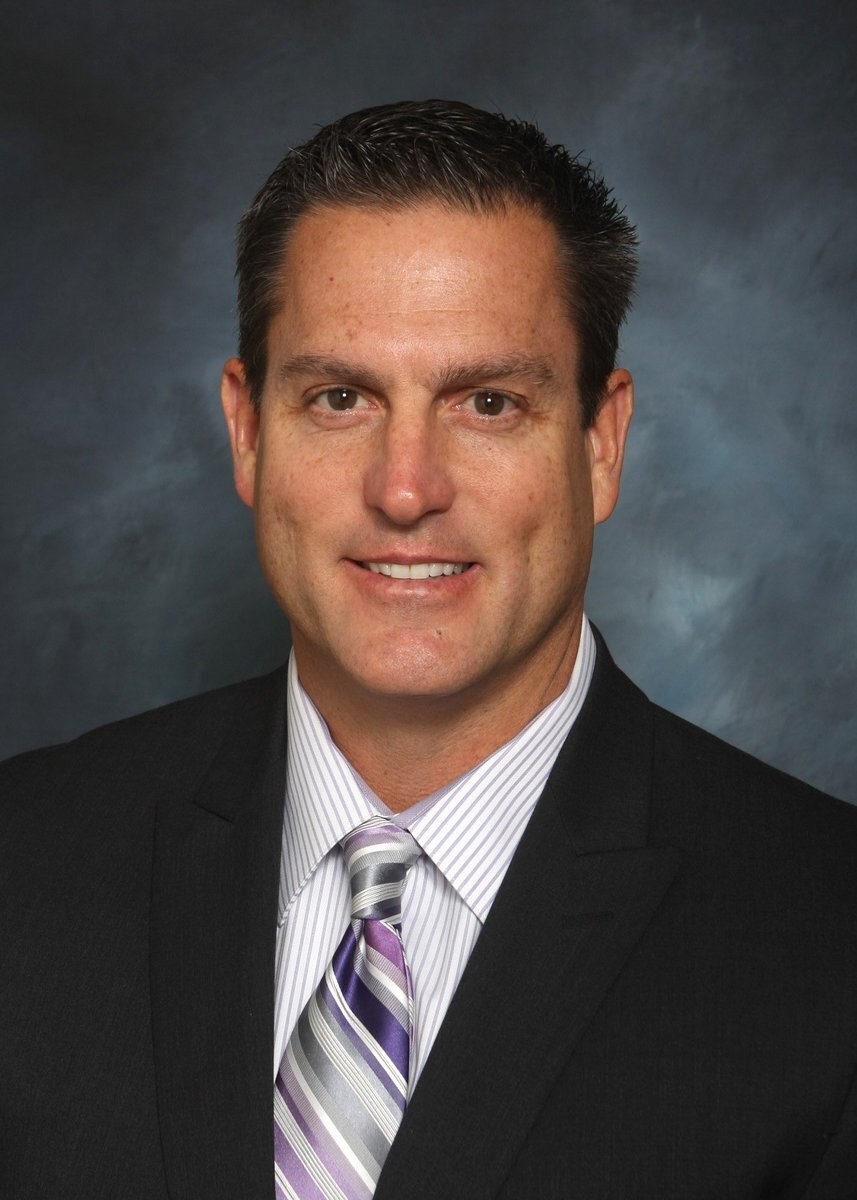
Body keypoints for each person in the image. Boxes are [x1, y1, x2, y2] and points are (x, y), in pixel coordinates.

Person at [2, 100, 856, 1200]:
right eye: (340, 398)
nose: (405, 489)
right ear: (248, 430)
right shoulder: (26, 869)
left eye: (487, 402)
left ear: (599, 443)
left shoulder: (827, 942)